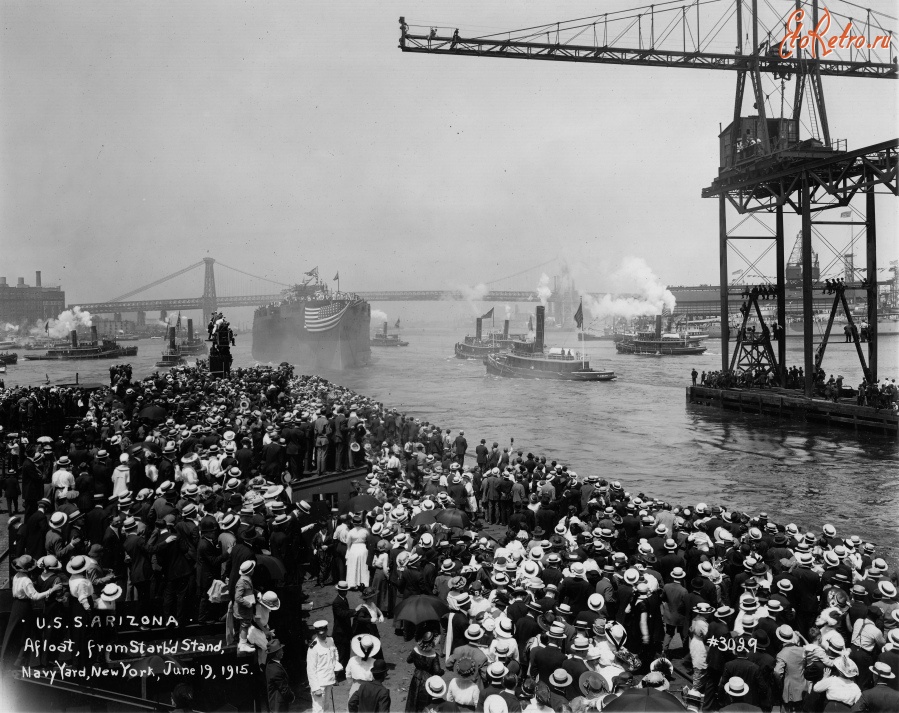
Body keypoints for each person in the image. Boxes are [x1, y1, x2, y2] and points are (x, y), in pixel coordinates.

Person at [307, 620, 342, 713]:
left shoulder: (330, 640)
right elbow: (310, 669)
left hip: (329, 680)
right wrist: (315, 688)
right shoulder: (313, 647)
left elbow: (335, 652)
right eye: (319, 633)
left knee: (326, 706)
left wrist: (336, 664)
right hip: (319, 683)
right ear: (316, 632)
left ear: (327, 630)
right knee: (318, 709)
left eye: (323, 633)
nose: (322, 635)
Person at [406, 631, 444, 713]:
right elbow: (437, 671)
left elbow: (408, 660)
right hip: (427, 680)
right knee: (425, 703)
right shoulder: (434, 655)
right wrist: (442, 671)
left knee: (413, 699)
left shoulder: (415, 650)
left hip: (416, 678)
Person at [347, 634, 379, 700]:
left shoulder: (352, 660)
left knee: (352, 708)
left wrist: (351, 685)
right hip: (370, 689)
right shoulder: (375, 662)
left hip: (355, 687)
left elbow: (348, 675)